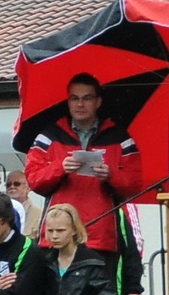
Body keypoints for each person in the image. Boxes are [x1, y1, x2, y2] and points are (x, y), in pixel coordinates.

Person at [24, 73, 144, 254]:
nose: (80, 104)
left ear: (98, 102)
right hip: (59, 235)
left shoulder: (120, 138)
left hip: (103, 236)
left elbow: (135, 185)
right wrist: (60, 168)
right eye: (74, 98)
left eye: (87, 98)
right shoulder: (49, 136)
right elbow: (33, 180)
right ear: (68, 101)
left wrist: (111, 175)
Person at [5, 167, 45, 236]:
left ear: (28, 188)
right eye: (8, 184)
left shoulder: (39, 215)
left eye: (17, 183)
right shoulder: (1, 213)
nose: (12, 187)